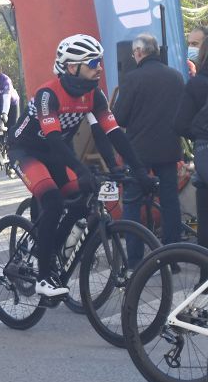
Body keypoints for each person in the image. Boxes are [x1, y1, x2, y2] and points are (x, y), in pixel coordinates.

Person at [8, 34, 154, 299]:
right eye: (93, 62)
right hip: (26, 151)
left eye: (99, 61)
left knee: (85, 193)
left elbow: (113, 133)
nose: (99, 67)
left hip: (56, 152)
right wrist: (81, 167)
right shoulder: (47, 94)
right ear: (72, 67)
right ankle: (42, 278)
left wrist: (138, 170)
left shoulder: (93, 94)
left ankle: (52, 248)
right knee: (52, 200)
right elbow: (53, 139)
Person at [114, 34, 185, 260]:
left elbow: (120, 118)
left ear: (138, 53)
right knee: (170, 201)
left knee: (132, 203)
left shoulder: (132, 79)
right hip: (169, 149)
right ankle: (173, 255)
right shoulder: (175, 76)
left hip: (138, 154)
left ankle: (135, 260)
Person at [175, 31, 208, 249]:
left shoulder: (197, 84)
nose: (191, 48)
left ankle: (204, 275)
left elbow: (180, 124)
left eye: (195, 44)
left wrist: (199, 136)